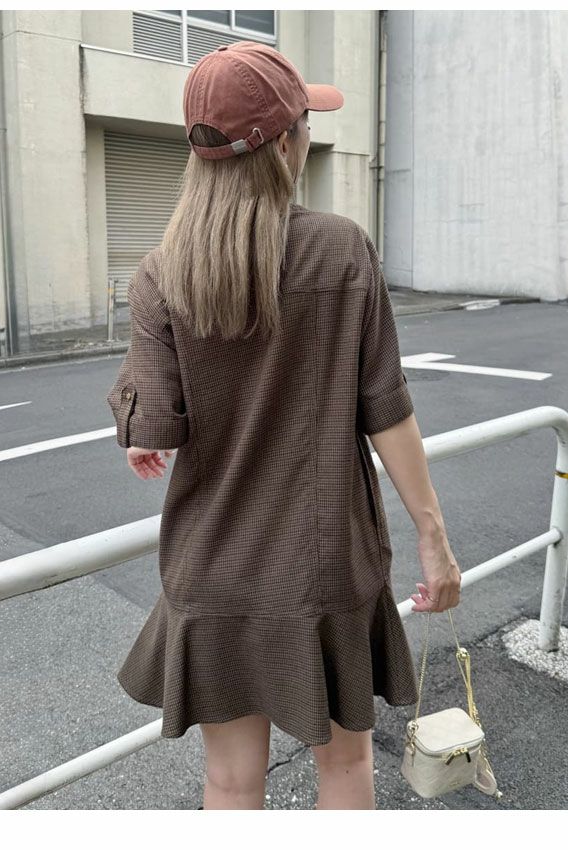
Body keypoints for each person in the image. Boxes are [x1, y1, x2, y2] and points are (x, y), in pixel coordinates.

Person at [106, 40, 462, 811]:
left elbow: (154, 432)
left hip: (213, 568)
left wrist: (140, 426)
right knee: (345, 767)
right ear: (283, 144)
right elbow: (386, 408)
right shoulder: (340, 250)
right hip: (325, 564)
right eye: (305, 123)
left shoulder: (161, 274)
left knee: (229, 780)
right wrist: (433, 537)